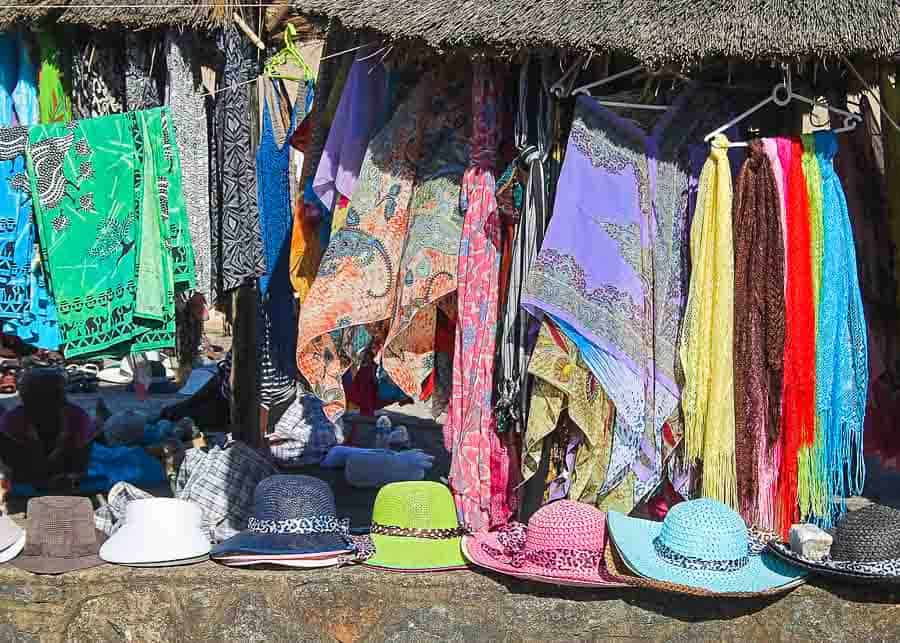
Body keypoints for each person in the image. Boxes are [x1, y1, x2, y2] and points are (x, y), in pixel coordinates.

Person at [0, 368, 96, 489]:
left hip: (65, 475)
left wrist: (72, 477)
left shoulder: (78, 419)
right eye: (37, 400)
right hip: (24, 476)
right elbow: (10, 465)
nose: (43, 407)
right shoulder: (12, 421)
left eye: (50, 398)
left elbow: (81, 464)